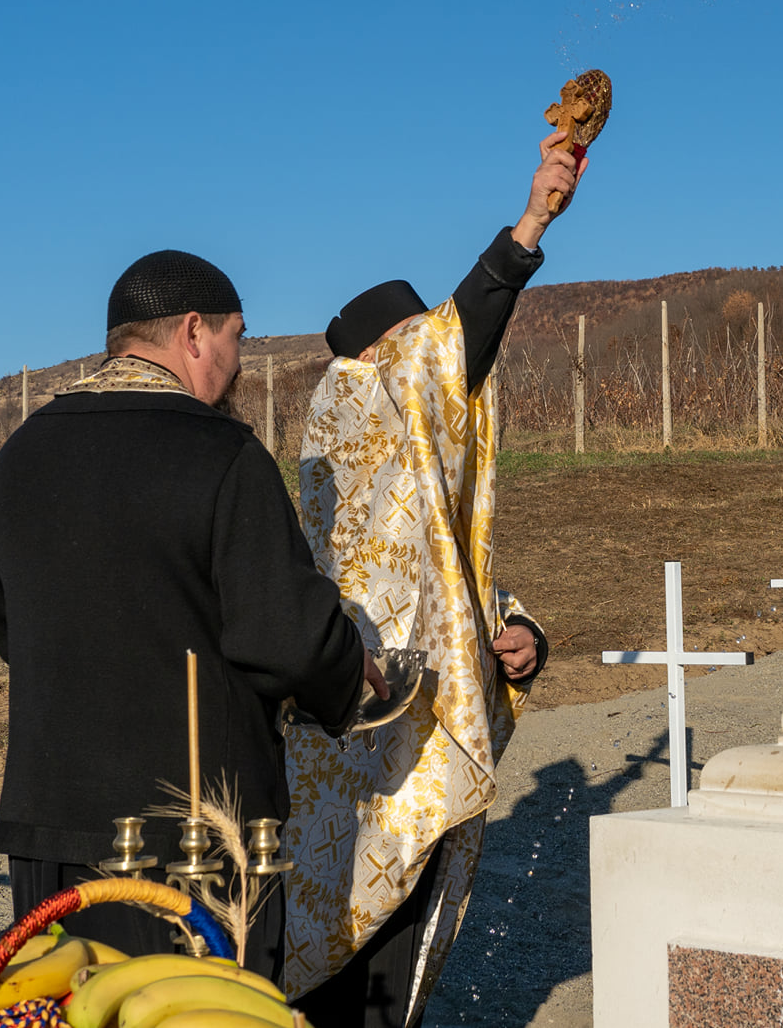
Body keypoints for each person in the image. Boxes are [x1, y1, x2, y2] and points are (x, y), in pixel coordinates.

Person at [0, 249, 379, 978]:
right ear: (194, 331)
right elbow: (286, 636)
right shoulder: (222, 454)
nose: (238, 360)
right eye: (237, 338)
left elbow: (12, 628)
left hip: (49, 835)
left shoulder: (17, 457)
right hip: (194, 840)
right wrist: (353, 672)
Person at [286, 129, 583, 1027]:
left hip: (426, 722)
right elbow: (453, 344)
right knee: (344, 955)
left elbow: (451, 573)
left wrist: (521, 635)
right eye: (422, 347)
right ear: (383, 362)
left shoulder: (411, 447)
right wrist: (532, 219)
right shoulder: (347, 404)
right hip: (358, 746)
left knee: (407, 951)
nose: (455, 376)